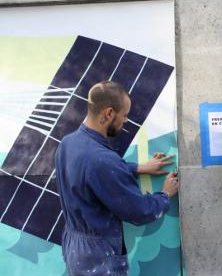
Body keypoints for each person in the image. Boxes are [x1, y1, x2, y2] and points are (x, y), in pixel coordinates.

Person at [55, 80, 179, 276]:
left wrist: (138, 167)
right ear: (109, 113)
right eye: (125, 115)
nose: (126, 121)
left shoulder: (68, 143)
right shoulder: (103, 160)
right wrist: (164, 195)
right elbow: (139, 211)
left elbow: (90, 174)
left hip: (75, 247)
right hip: (99, 258)